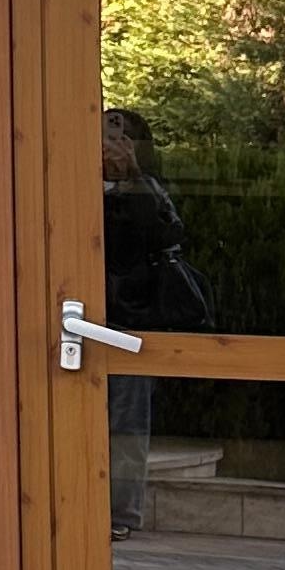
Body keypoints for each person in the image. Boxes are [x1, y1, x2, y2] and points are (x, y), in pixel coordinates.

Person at [101, 106, 208, 534]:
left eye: (121, 134)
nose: (111, 142)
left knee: (127, 419)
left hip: (132, 316)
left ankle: (120, 514)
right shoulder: (68, 177)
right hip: (77, 313)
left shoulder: (148, 188)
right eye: (105, 131)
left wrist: (131, 179)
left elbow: (165, 236)